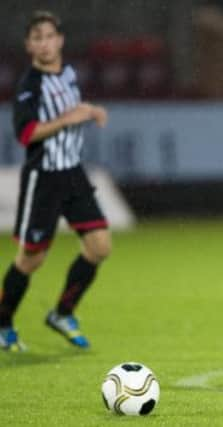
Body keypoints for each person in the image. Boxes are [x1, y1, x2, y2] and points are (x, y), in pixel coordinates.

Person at [0, 11, 110, 351]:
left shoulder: (68, 74)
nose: (45, 43)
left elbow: (71, 109)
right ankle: (3, 322)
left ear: (60, 40)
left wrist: (88, 110)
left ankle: (63, 313)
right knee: (31, 259)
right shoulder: (30, 86)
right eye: (37, 38)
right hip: (44, 177)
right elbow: (26, 133)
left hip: (73, 173)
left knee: (99, 247)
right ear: (29, 45)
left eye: (50, 36)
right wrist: (69, 118)